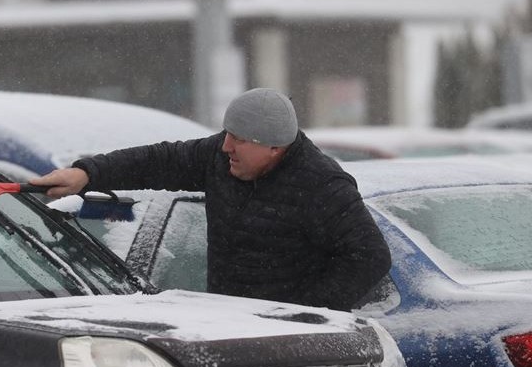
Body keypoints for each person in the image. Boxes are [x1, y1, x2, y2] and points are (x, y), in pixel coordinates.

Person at [30, 88, 391, 311]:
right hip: (226, 323)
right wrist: (87, 174)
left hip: (289, 341)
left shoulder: (321, 185)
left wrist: (304, 313)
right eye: (226, 134)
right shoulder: (220, 160)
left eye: (238, 139)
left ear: (274, 147)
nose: (225, 146)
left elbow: (369, 257)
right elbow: (159, 161)